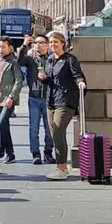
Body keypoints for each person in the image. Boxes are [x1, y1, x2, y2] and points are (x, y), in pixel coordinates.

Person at [45, 30, 87, 180]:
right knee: (55, 135)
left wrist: (80, 82)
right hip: (51, 100)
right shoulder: (50, 59)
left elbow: (77, 75)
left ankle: (61, 168)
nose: (53, 45)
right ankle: (62, 167)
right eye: (51, 42)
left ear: (63, 43)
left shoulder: (70, 59)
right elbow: (51, 80)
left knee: (58, 132)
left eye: (56, 42)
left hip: (65, 100)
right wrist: (44, 79)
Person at [0, 38, 23, 163]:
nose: (1, 49)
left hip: (8, 98)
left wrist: (12, 97)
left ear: (10, 48)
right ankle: (10, 154)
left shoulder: (13, 63)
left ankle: (0, 151)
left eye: (3, 47)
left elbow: (19, 81)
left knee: (1, 123)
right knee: (4, 126)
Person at [23, 34, 55, 165]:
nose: (38, 45)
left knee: (50, 129)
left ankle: (48, 152)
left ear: (47, 45)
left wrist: (47, 78)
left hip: (49, 98)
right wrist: (24, 45)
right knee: (34, 128)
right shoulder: (31, 59)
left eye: (41, 42)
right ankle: (35, 153)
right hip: (34, 97)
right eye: (35, 42)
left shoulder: (52, 59)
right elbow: (20, 60)